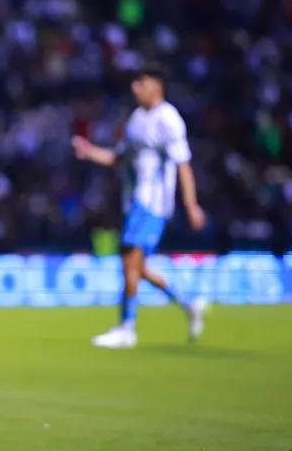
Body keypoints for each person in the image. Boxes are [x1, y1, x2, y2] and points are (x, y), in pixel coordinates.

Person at [71, 63, 208, 349]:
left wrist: (191, 204)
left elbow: (183, 164)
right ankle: (189, 303)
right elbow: (118, 158)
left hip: (152, 203)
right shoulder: (136, 119)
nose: (135, 88)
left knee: (129, 263)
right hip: (135, 202)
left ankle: (127, 327)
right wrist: (89, 151)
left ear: (157, 87)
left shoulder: (169, 119)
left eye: (141, 83)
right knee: (136, 267)